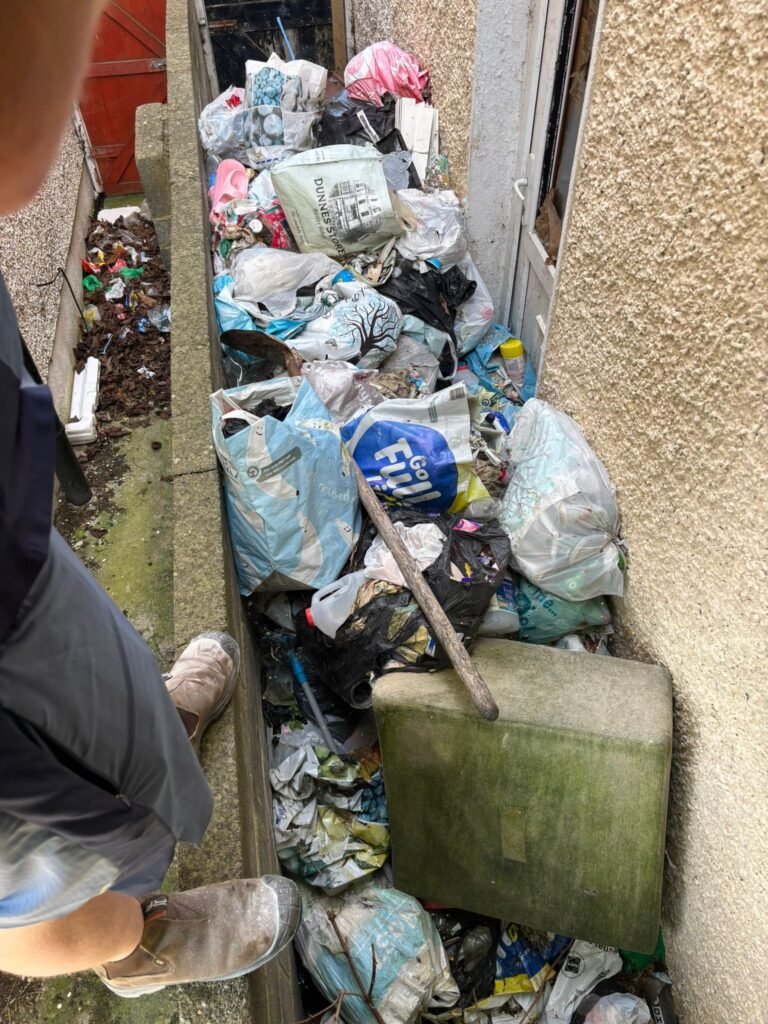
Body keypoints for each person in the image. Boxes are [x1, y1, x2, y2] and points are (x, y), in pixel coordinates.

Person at [0, 0, 299, 998]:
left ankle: (144, 745)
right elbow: (14, 133)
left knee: (103, 714)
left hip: (12, 562)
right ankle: (135, 946)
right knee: (55, 870)